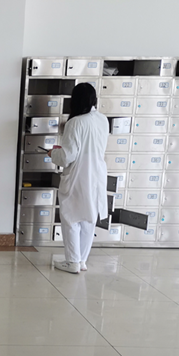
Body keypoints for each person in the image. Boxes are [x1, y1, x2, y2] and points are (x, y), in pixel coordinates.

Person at [49, 82, 108, 274]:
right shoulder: (102, 120)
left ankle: (72, 261)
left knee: (71, 218)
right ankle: (81, 260)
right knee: (88, 218)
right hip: (96, 175)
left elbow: (68, 156)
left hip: (78, 176)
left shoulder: (75, 123)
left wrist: (53, 154)